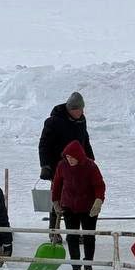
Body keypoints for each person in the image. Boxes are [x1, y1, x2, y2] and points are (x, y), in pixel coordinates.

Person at [38, 92, 93, 239]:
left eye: (82, 109)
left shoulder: (81, 120)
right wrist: (45, 166)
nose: (81, 112)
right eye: (79, 109)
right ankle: (54, 231)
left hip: (79, 167)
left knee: (78, 200)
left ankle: (74, 233)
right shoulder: (53, 122)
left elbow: (85, 141)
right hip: (59, 168)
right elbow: (44, 145)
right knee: (57, 198)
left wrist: (91, 160)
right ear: (71, 109)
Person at [51, 140, 106, 270]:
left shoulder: (90, 166)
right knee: (72, 237)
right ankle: (75, 267)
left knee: (89, 237)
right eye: (67, 157)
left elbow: (99, 185)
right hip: (69, 206)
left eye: (72, 157)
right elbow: (57, 184)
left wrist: (98, 201)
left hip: (89, 208)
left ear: (79, 156)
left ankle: (88, 265)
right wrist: (56, 201)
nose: (69, 160)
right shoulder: (62, 165)